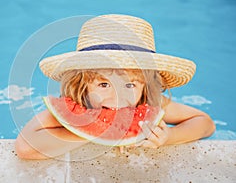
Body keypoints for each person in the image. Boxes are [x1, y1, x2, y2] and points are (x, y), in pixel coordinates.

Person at [15, 14, 215, 160]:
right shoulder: (75, 106)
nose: (118, 96)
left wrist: (170, 136)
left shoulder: (149, 103)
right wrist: (90, 131)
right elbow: (25, 147)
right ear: (82, 86)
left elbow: (205, 123)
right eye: (103, 84)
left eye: (129, 84)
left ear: (145, 86)